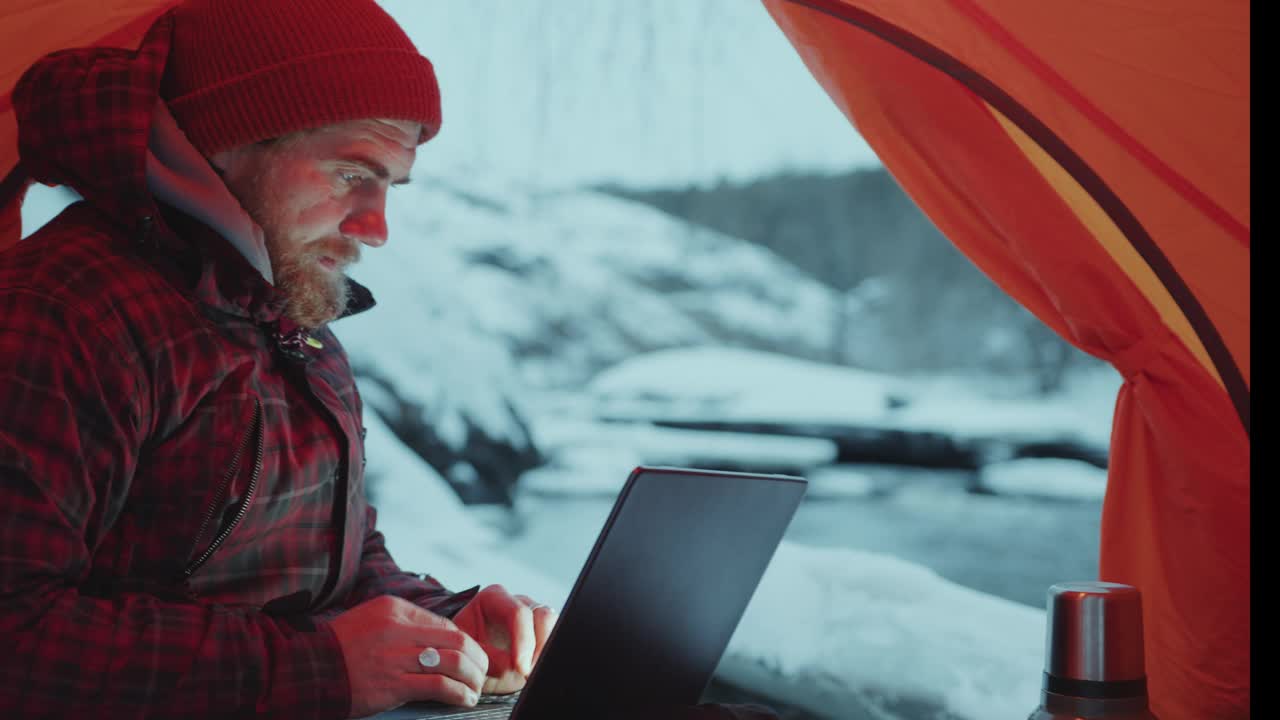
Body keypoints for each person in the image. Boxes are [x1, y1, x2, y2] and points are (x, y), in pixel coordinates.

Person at [0, 1, 781, 718]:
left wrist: (445, 624)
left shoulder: (294, 328)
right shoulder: (64, 311)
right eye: (351, 174)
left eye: (391, 187)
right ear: (224, 148)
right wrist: (321, 670)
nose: (376, 228)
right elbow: (15, 632)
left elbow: (334, 569)